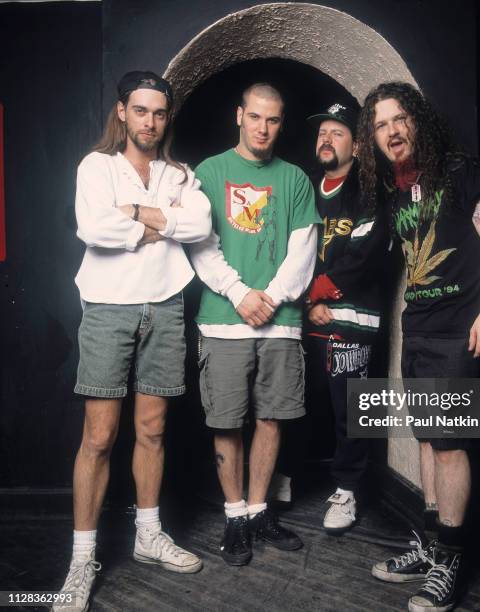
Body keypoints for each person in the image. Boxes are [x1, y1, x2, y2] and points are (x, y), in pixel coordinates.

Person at [54, 71, 210, 612]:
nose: (150, 121)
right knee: (99, 436)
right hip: (107, 306)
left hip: (166, 303)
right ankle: (81, 559)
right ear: (123, 112)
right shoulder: (96, 167)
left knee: (153, 428)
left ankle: (148, 535)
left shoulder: (179, 173)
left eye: (159, 113)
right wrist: (164, 224)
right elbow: (94, 228)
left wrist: (137, 216)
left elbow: (202, 225)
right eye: (140, 110)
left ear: (167, 117)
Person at [358, 82, 480, 612]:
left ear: (418, 120)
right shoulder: (398, 191)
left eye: (399, 119)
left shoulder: (463, 170)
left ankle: (451, 557)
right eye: (380, 125)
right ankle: (428, 544)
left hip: (457, 332)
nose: (392, 131)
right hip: (418, 328)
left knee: (449, 444)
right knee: (426, 439)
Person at [189, 83, 321, 566]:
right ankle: (235, 516)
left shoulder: (296, 179)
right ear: (239, 115)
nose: (263, 128)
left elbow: (303, 249)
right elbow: (200, 244)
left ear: (281, 123)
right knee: (226, 421)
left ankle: (261, 510)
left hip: (281, 322)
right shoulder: (210, 171)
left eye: (274, 120)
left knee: (271, 417)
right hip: (225, 319)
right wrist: (240, 293)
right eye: (256, 117)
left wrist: (274, 297)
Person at [274, 103, 388, 533]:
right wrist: (305, 302)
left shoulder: (368, 191)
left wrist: (315, 294)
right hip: (304, 318)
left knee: (350, 409)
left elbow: (365, 254)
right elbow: (286, 250)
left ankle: (348, 490)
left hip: (351, 321)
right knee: (293, 401)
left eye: (337, 133)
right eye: (322, 132)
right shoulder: (303, 189)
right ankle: (283, 474)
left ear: (357, 145)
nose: (326, 139)